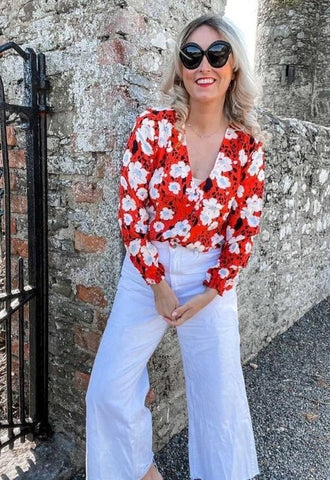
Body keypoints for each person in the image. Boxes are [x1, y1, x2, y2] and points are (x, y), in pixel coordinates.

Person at [86, 13, 266, 480]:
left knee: (219, 397)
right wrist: (159, 285)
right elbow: (132, 214)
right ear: (180, 66)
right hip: (148, 270)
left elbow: (242, 231)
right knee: (108, 387)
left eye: (216, 54)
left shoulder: (248, 148)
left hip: (210, 277)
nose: (203, 65)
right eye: (191, 55)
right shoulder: (153, 128)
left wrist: (213, 291)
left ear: (234, 68)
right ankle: (138, 471)